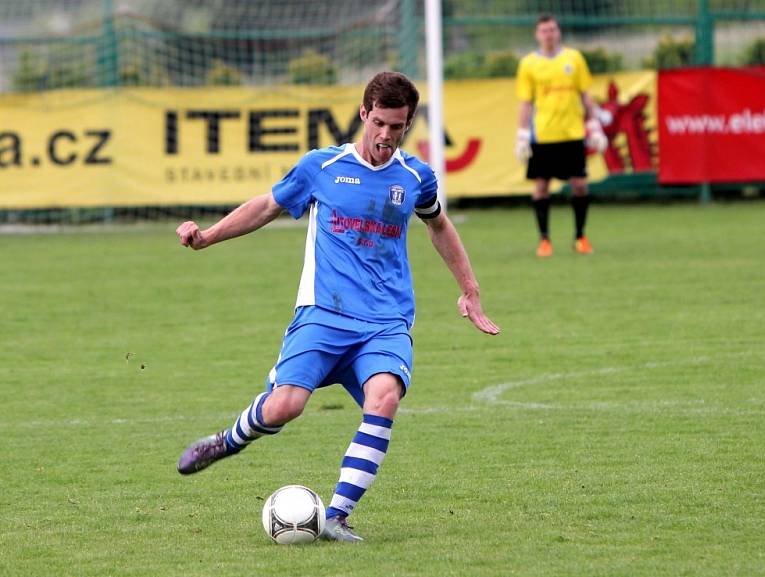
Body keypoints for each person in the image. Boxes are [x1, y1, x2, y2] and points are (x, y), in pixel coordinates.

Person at [175, 71, 500, 543]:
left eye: (399, 127)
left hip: (386, 320)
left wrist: (469, 289)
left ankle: (336, 516)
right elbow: (265, 206)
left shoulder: (415, 177)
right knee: (285, 407)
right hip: (322, 313)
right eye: (381, 123)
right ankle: (228, 441)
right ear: (364, 114)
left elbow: (439, 226)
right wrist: (207, 237)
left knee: (384, 398)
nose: (387, 136)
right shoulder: (320, 167)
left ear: (409, 125)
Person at [514, 13, 607, 258]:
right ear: (537, 34)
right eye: (544, 30)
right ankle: (544, 240)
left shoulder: (574, 59)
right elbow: (525, 102)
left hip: (572, 133)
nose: (549, 34)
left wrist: (594, 124)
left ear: (559, 32)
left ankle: (580, 236)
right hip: (543, 135)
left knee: (579, 185)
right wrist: (523, 134)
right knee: (541, 187)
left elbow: (585, 95)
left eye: (553, 29)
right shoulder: (528, 64)